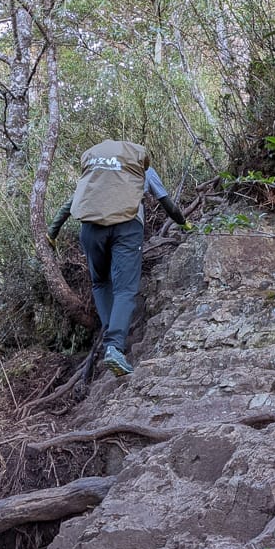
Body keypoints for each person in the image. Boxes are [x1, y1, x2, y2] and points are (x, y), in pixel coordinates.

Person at [46, 139, 191, 376]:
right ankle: (114, 346)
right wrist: (184, 224)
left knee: (101, 282)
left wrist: (52, 233)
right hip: (127, 228)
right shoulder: (141, 169)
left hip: (91, 229)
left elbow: (71, 204)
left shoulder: (98, 173)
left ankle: (111, 332)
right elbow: (166, 202)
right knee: (125, 289)